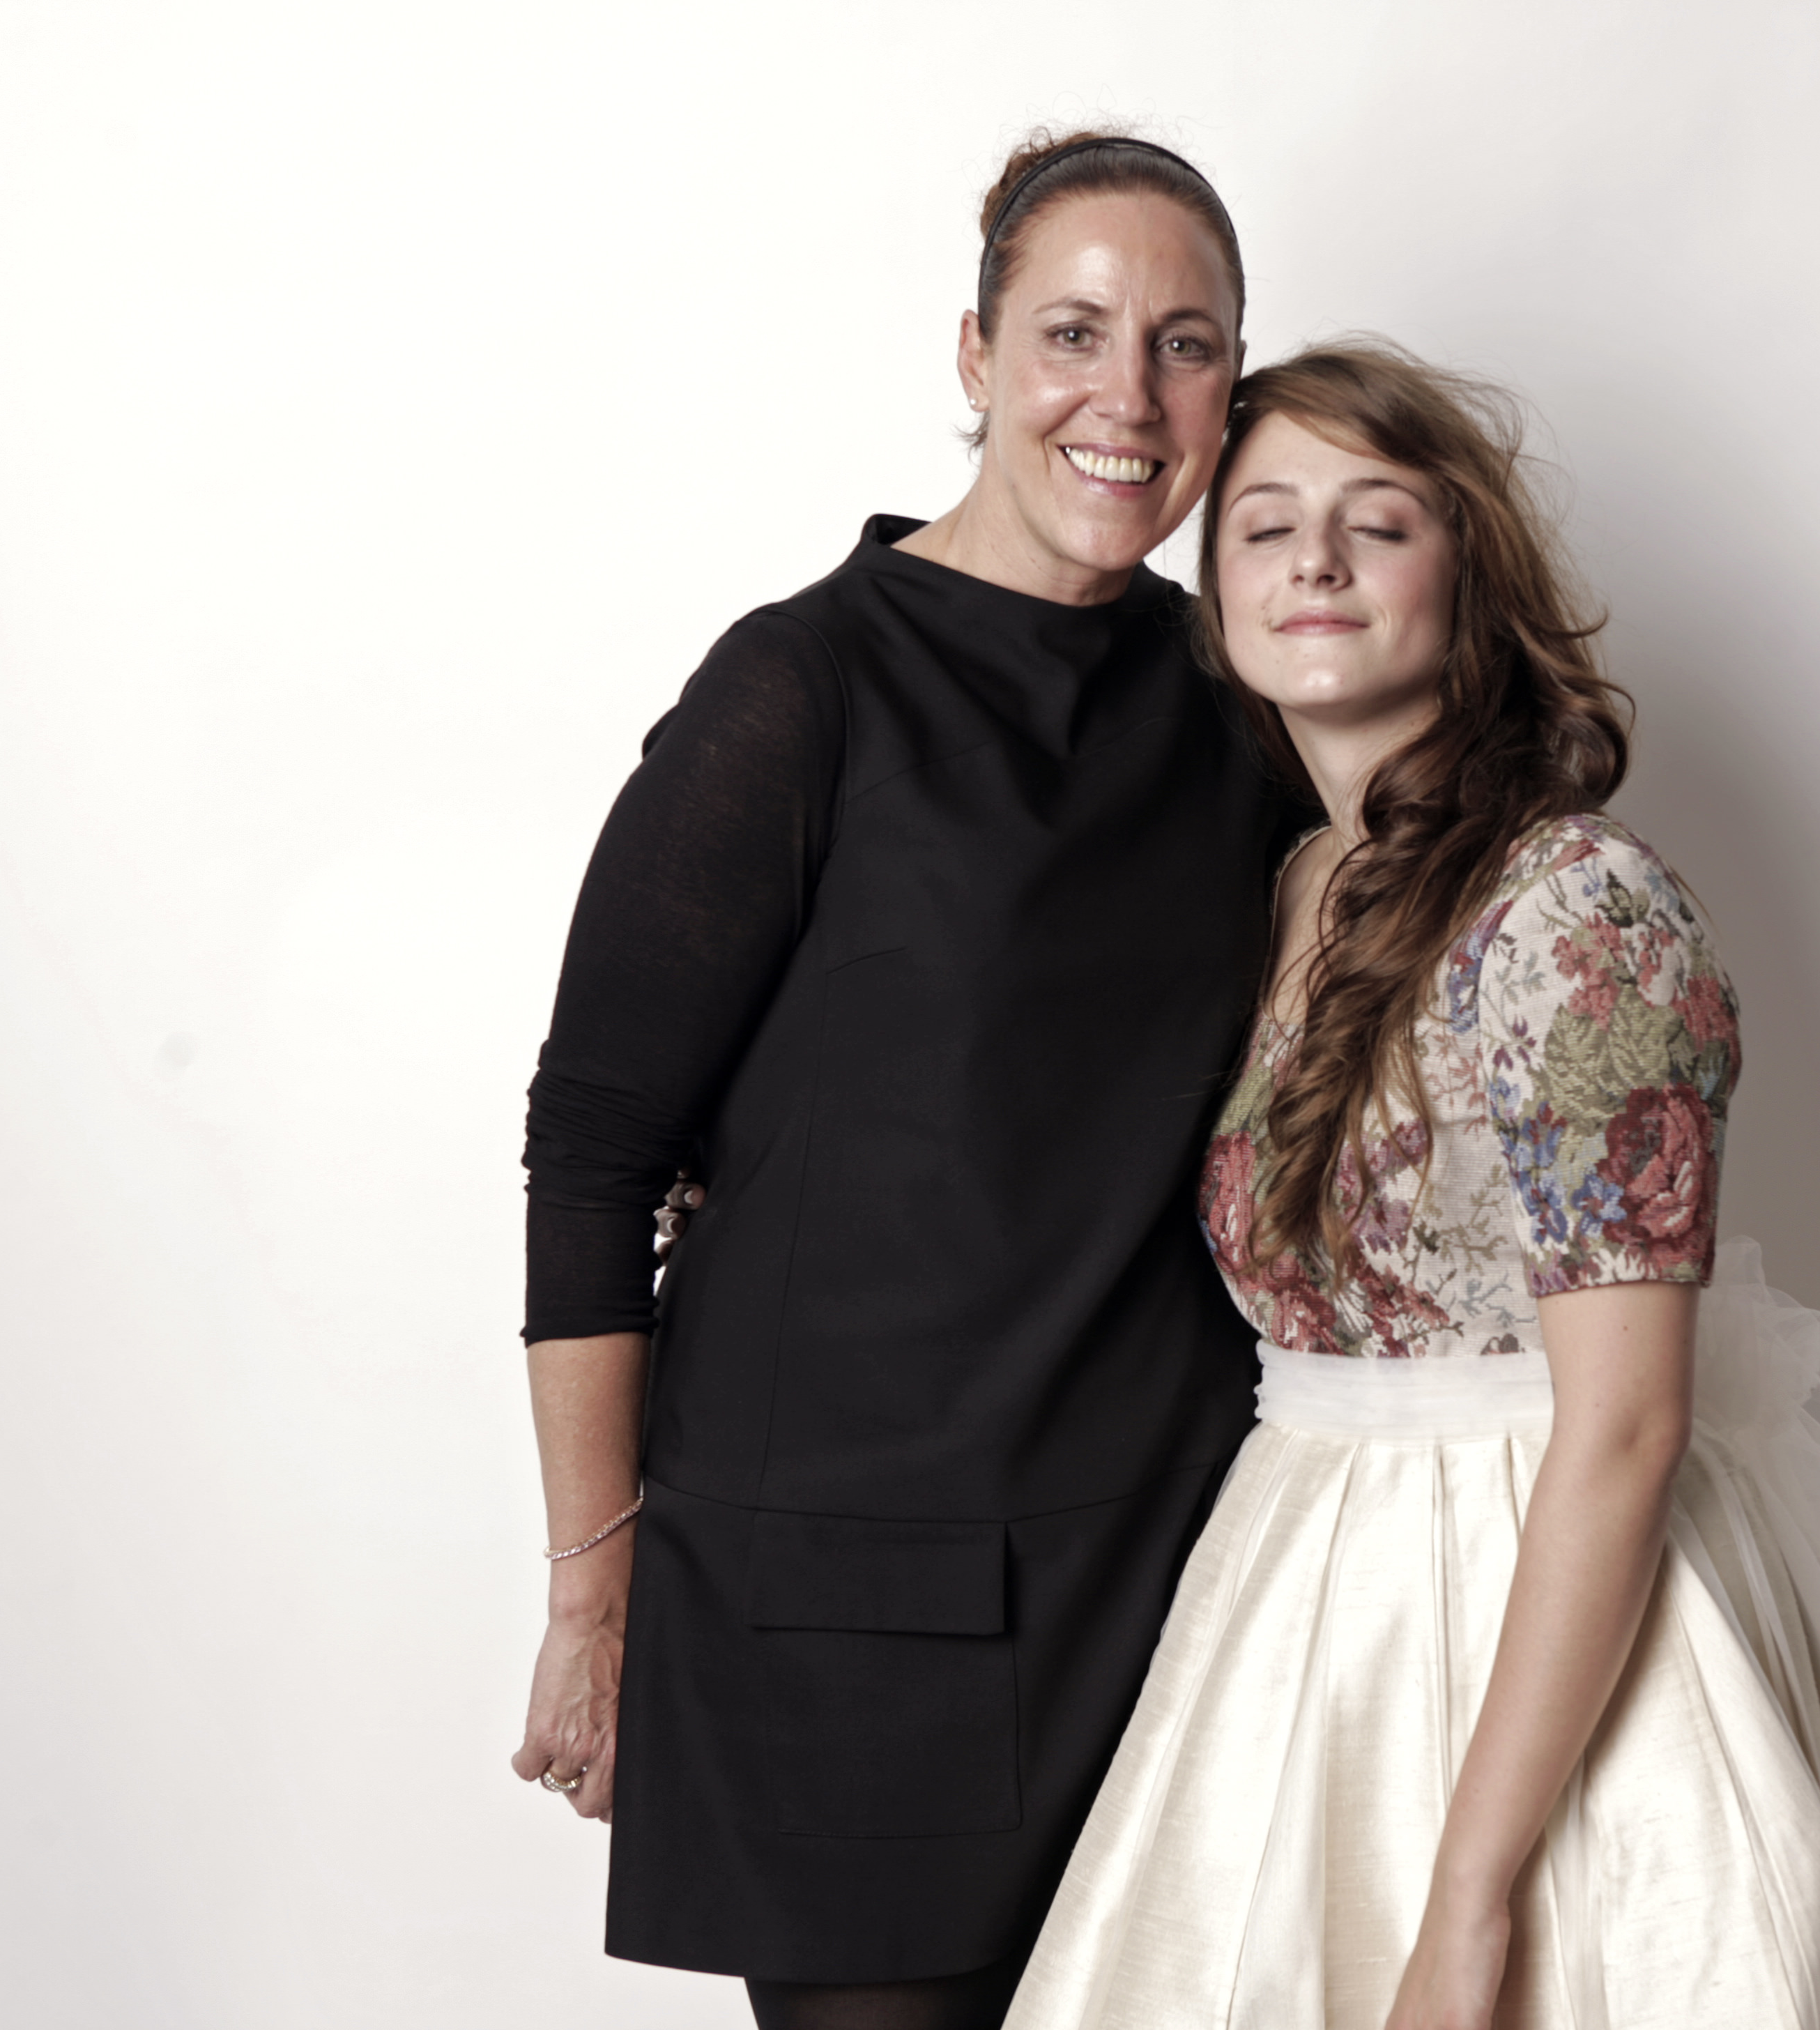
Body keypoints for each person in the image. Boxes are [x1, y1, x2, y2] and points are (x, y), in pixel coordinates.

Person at [1002, 344, 1820, 2030]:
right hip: (1301, 1587)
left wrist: (1471, 1893)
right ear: (1215, 593)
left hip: (1544, 1579)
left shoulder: (1579, 905)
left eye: (1375, 524)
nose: (1314, 562)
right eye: (1265, 526)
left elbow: (1628, 1424)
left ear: (1469, 578)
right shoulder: (1296, 882)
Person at [509, 131, 1303, 2030]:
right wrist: (593, 1597)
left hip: (1183, 1593)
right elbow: (596, 1151)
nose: (1128, 399)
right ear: (975, 355)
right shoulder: (803, 691)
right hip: (844, 1634)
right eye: (1074, 333)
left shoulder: (1248, 707)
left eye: (1186, 345)